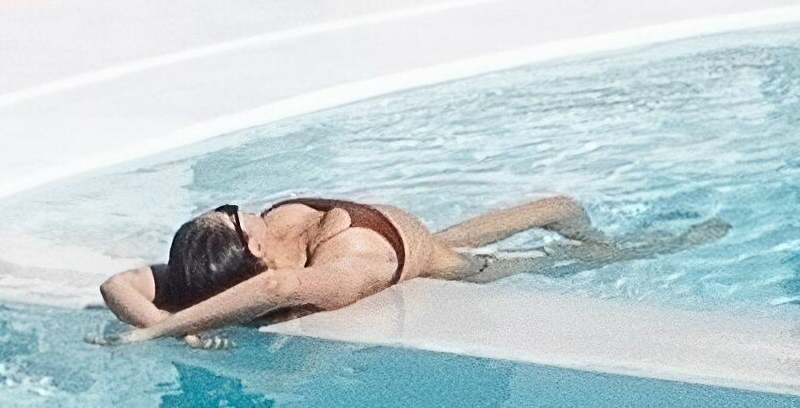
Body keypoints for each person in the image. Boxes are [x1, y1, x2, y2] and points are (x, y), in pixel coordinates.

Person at [93, 193, 728, 346]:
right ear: (251, 246)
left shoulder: (238, 252)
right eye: (231, 213)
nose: (237, 207)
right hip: (437, 263)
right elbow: (283, 286)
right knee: (556, 257)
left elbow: (117, 285)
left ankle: (576, 221)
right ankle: (664, 244)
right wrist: (166, 331)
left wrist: (159, 321)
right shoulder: (350, 266)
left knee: (557, 209)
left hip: (415, 232)